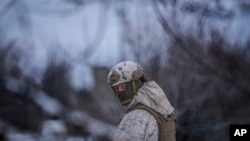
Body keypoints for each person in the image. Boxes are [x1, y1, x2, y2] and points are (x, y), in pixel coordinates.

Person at [107, 61, 176, 141]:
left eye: (123, 87)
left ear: (135, 83)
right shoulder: (159, 107)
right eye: (116, 88)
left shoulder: (134, 116)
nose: (119, 92)